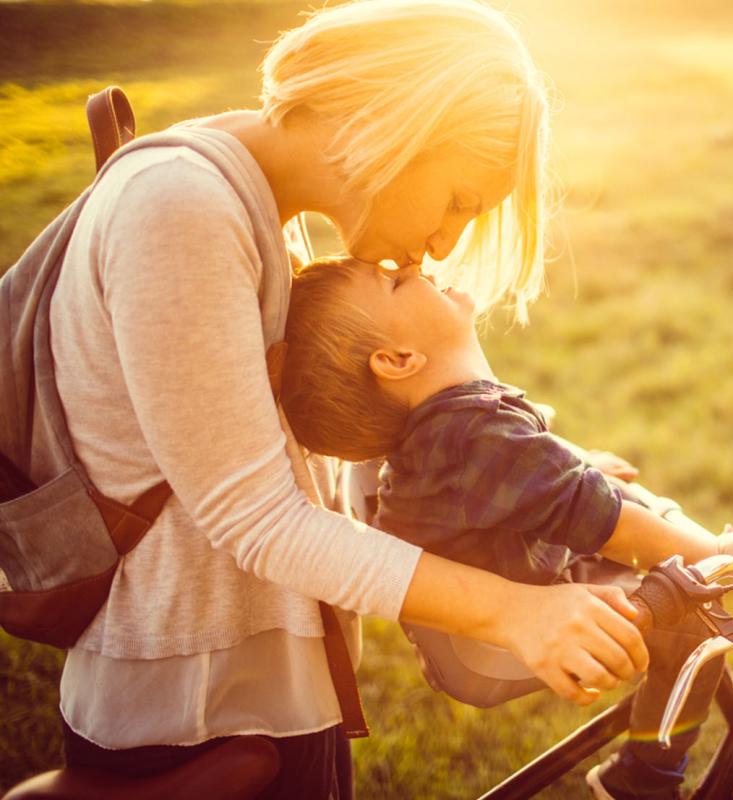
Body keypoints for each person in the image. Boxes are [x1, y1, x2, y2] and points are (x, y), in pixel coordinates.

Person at [42, 1, 648, 796]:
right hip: (192, 715)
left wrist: (516, 490)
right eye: (461, 200)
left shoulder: (255, 210)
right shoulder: (182, 207)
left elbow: (298, 472)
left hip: (267, 692)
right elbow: (256, 519)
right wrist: (513, 613)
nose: (444, 245)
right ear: (405, 118)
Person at [279, 256, 733, 799]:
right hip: (485, 647)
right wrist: (711, 547)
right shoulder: (469, 433)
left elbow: (536, 476)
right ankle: (643, 780)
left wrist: (578, 469)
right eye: (396, 281)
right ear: (398, 358)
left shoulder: (451, 423)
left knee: (650, 571)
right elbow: (610, 521)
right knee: (694, 623)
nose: (414, 265)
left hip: (506, 583)